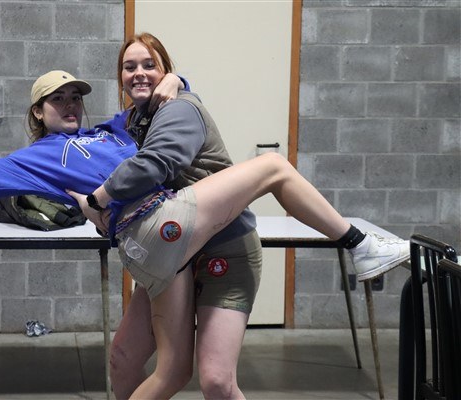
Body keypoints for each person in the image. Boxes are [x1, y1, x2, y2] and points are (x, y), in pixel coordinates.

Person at [0, 65, 409, 399]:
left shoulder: (112, 130)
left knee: (137, 362)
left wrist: (179, 80)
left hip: (164, 243)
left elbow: (157, 104)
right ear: (38, 111)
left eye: (76, 96)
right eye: (58, 99)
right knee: (271, 167)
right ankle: (360, 245)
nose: (70, 105)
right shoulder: (35, 158)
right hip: (153, 230)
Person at [67, 33, 410, 399]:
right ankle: (361, 244)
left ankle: (359, 243)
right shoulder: (132, 122)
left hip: (224, 248)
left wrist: (99, 199)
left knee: (217, 381)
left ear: (165, 69)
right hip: (171, 257)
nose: (139, 73)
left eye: (150, 65)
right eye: (129, 67)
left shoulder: (178, 109)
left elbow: (155, 164)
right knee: (123, 359)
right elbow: (92, 152)